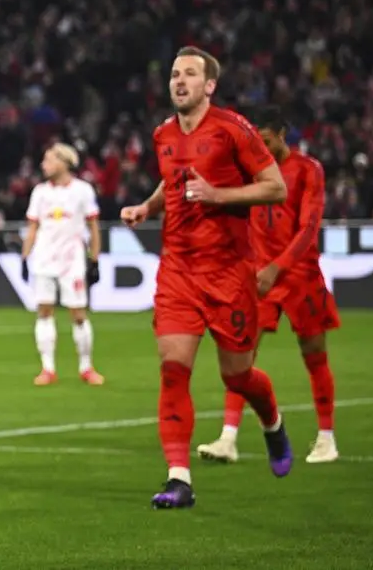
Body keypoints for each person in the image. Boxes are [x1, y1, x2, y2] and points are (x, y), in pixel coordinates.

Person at [120, 46, 292, 510]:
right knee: (173, 371)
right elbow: (170, 182)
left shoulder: (234, 128)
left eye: (190, 74)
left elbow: (277, 185)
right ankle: (180, 479)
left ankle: (273, 423)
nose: (179, 81)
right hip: (178, 269)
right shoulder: (162, 134)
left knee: (237, 377)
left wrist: (219, 195)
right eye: (175, 74)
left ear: (209, 86)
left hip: (228, 272)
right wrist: (146, 206)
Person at [198, 106, 340, 465]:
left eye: (265, 141)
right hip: (258, 278)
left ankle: (326, 438)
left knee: (314, 355)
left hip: (300, 276)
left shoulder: (308, 170)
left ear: (281, 134)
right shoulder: (248, 171)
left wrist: (278, 267)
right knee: (241, 361)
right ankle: (228, 439)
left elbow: (309, 228)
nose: (259, 148)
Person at [21, 143, 104, 386]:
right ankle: (47, 368)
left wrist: (94, 258)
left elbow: (93, 227)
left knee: (78, 313)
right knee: (44, 310)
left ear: (64, 162)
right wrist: (25, 257)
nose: (43, 164)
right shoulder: (40, 192)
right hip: (44, 259)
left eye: (48, 160)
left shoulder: (82, 190)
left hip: (72, 261)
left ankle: (86, 367)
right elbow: (33, 227)